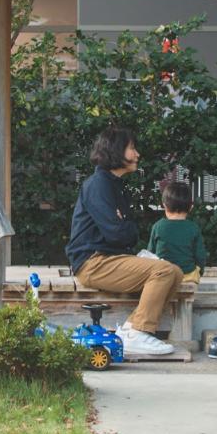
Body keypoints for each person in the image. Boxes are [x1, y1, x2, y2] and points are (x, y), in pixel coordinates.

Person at [66, 127, 181, 359]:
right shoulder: (98, 185)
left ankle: (130, 330)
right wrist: (123, 228)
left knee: (175, 273)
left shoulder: (114, 185)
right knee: (164, 272)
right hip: (93, 262)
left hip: (110, 257)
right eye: (132, 148)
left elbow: (125, 232)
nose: (137, 154)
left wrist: (124, 228)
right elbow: (119, 234)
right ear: (116, 151)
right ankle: (138, 332)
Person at [146, 178, 208, 282]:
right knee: (194, 272)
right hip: (187, 276)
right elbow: (200, 256)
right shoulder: (193, 228)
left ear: (164, 205)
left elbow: (150, 254)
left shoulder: (158, 226)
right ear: (190, 207)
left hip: (163, 276)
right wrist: (199, 271)